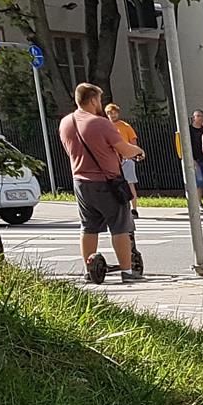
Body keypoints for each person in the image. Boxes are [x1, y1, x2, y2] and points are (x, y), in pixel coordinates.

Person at [56, 82, 144, 284]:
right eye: (99, 100)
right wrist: (139, 152)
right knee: (120, 226)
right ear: (94, 99)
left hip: (80, 182)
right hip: (107, 182)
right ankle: (127, 271)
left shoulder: (65, 123)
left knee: (88, 227)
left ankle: (89, 270)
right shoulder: (101, 123)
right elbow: (123, 148)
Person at [104, 102, 140, 204]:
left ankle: (134, 209)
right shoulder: (105, 127)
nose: (113, 115)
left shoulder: (125, 126)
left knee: (130, 183)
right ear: (107, 114)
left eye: (114, 112)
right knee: (114, 184)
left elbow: (133, 142)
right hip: (112, 160)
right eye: (110, 113)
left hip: (126, 159)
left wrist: (132, 154)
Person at [178, 109, 203, 209]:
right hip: (195, 159)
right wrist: (191, 159)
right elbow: (186, 146)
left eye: (202, 116)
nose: (201, 118)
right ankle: (198, 203)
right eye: (199, 116)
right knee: (198, 181)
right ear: (194, 118)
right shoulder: (189, 131)